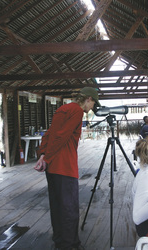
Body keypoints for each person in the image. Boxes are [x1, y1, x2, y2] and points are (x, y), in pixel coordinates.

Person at [34, 87, 100, 250]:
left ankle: (60, 242)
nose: (91, 108)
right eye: (93, 104)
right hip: (65, 167)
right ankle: (70, 245)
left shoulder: (62, 109)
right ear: (88, 99)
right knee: (69, 208)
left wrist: (43, 154)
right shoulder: (76, 111)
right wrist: (46, 156)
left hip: (52, 168)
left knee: (57, 207)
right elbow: (61, 137)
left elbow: (50, 134)